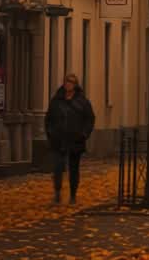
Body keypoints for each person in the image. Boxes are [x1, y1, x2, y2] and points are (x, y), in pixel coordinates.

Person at [45, 73, 95, 204]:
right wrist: (50, 133)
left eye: (72, 82)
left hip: (75, 140)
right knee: (57, 167)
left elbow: (90, 119)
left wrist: (84, 134)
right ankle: (57, 192)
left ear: (75, 84)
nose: (69, 84)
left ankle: (73, 194)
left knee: (74, 168)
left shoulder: (82, 101)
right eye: (67, 81)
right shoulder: (56, 100)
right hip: (58, 139)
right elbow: (49, 118)